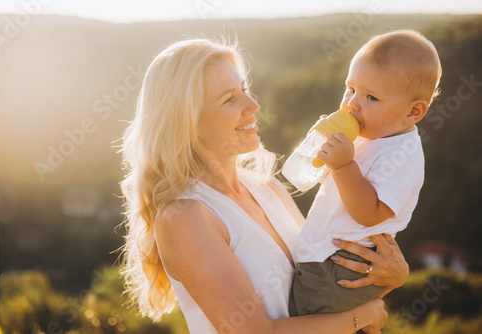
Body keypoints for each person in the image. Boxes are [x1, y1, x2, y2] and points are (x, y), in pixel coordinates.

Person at [119, 37, 409, 334]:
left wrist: (390, 276)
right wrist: (360, 318)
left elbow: (323, 293)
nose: (253, 105)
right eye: (229, 99)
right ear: (187, 121)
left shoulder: (269, 189)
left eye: (244, 90)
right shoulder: (184, 217)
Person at [290, 30, 442, 316]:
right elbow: (328, 183)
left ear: (413, 112)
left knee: (306, 319)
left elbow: (368, 213)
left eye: (371, 96)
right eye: (350, 89)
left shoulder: (402, 158)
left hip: (340, 266)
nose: (351, 104)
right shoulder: (370, 134)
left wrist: (344, 165)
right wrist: (320, 151)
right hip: (326, 257)